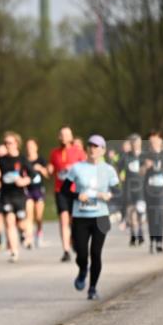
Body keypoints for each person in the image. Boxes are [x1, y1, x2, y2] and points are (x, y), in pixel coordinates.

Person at [64, 135, 120, 300]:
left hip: (101, 216)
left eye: (96, 146)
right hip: (80, 216)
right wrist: (77, 195)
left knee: (96, 253)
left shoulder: (109, 170)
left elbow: (118, 192)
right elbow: (65, 190)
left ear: (103, 150)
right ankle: (82, 270)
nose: (93, 149)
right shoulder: (77, 168)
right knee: (81, 254)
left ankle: (93, 288)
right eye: (90, 146)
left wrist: (108, 195)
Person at [48, 126, 87, 262]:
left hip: (75, 190)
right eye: (62, 134)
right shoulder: (54, 153)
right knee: (63, 219)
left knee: (74, 221)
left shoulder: (79, 152)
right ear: (59, 137)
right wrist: (49, 169)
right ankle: (66, 251)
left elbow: (87, 169)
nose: (64, 137)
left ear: (71, 137)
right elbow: (52, 169)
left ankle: (75, 242)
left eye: (67, 134)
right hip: (61, 191)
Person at [0, 132, 32, 261]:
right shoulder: (1, 160)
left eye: (10, 143)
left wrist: (24, 181)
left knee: (21, 223)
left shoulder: (22, 159)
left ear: (16, 144)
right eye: (5, 143)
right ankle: (14, 251)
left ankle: (23, 233)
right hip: (6, 196)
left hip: (19, 196)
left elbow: (32, 175)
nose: (7, 145)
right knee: (9, 222)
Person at [142, 131, 163, 253]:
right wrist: (146, 166)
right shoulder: (145, 155)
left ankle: (159, 242)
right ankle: (152, 241)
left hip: (162, 191)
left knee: (160, 215)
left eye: (155, 140)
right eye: (151, 141)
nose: (153, 143)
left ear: (161, 141)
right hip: (149, 191)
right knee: (151, 215)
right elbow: (140, 173)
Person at [121, 135, 145, 246]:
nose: (135, 145)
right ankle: (133, 234)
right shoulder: (126, 156)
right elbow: (118, 168)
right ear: (131, 144)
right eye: (133, 143)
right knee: (131, 211)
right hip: (129, 188)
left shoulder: (144, 156)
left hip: (141, 188)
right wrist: (120, 176)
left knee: (140, 211)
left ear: (140, 144)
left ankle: (140, 231)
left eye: (137, 143)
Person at [23, 137, 48, 248]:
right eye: (28, 146)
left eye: (32, 146)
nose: (30, 148)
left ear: (36, 147)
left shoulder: (41, 160)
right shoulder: (24, 160)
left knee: (38, 216)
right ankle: (29, 238)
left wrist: (41, 168)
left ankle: (39, 232)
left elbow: (48, 175)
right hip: (28, 190)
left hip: (39, 190)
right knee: (29, 215)